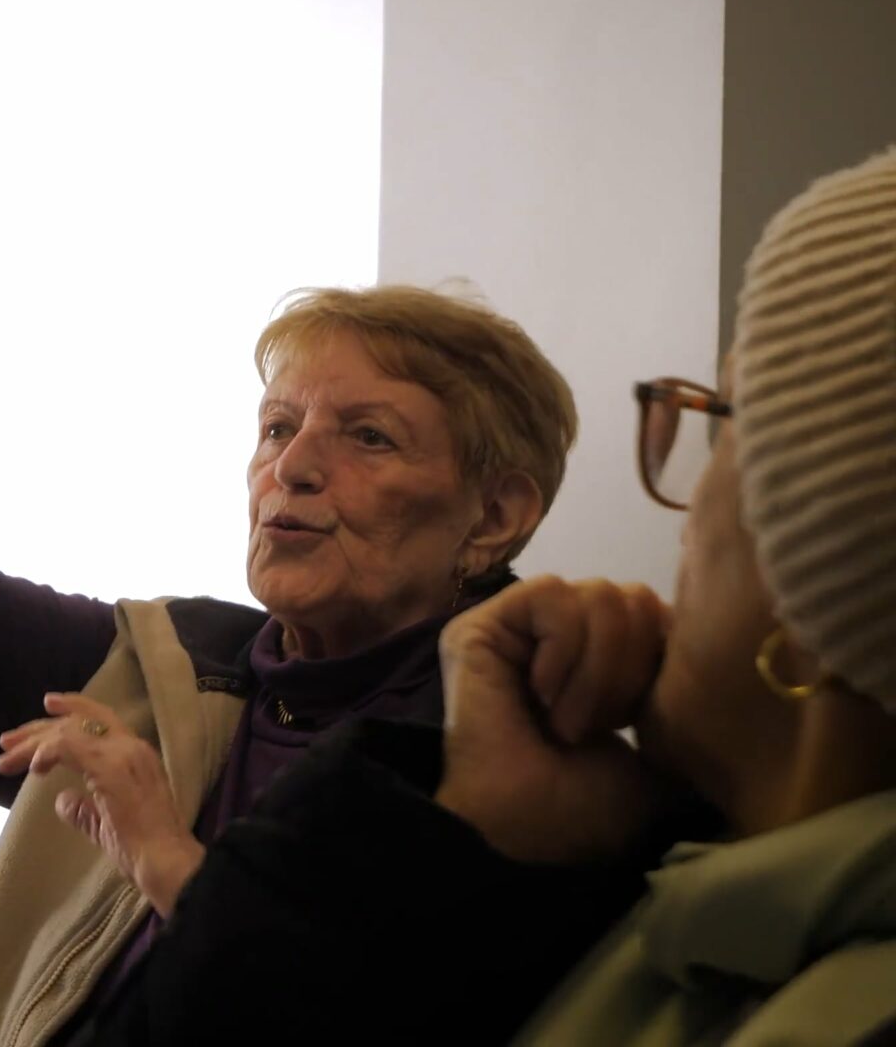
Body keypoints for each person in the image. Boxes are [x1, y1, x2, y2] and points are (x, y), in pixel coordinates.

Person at [0, 67, 581, 1043]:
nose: (289, 467)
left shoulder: (520, 745)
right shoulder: (175, 668)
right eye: (276, 427)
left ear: (494, 514)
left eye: (366, 437)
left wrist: (168, 858)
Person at [73, 142, 896, 1046]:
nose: (689, 510)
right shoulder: (710, 914)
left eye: (725, 427)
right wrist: (508, 834)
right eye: (276, 426)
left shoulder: (826, 1010)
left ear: (825, 583)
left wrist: (462, 836)